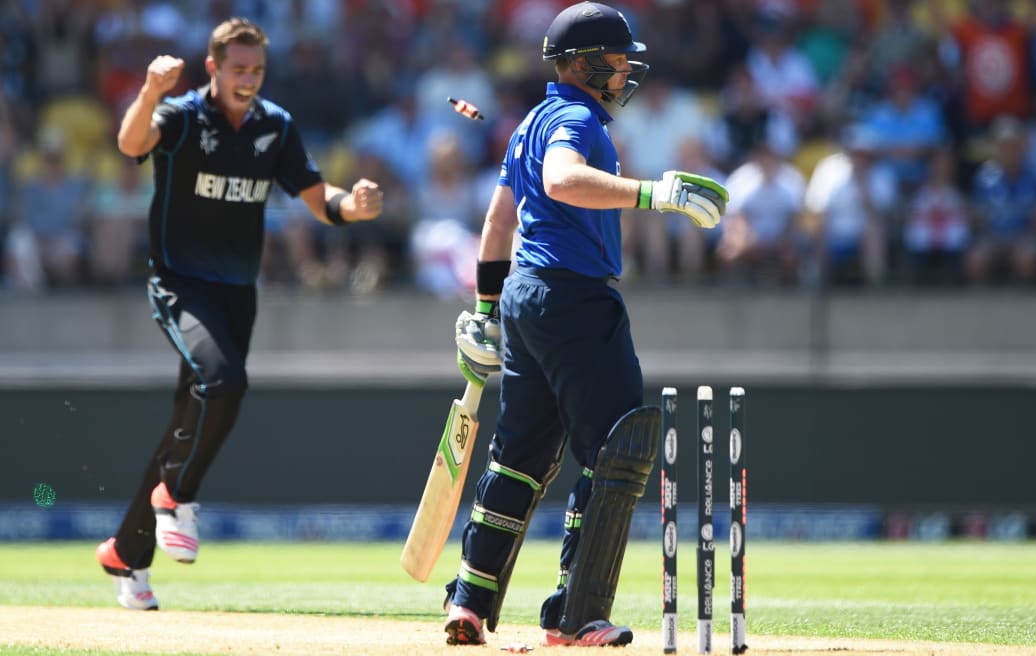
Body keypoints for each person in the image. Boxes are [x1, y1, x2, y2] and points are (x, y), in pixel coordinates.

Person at [442, 2, 726, 647]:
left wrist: (487, 313)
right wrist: (658, 194)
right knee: (615, 451)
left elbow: (495, 224)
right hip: (573, 299)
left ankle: (467, 602)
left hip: (524, 296)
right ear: (587, 63)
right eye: (620, 58)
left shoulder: (529, 123)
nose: (628, 70)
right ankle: (577, 617)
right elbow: (564, 180)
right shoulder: (573, 118)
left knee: (520, 456)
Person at [94, 17, 382, 610]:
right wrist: (151, 91)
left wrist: (350, 207)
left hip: (236, 291)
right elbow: (129, 145)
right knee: (224, 382)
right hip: (179, 283)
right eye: (237, 70)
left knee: (190, 418)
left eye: (256, 71)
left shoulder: (275, 126)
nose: (247, 80)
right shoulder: (181, 116)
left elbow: (316, 199)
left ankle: (127, 551)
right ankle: (175, 496)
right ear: (213, 69)